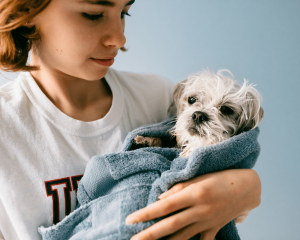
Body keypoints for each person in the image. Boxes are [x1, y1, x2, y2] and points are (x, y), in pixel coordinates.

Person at [0, 0, 261, 240]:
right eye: (93, 14)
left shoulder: (157, 98)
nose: (119, 37)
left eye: (124, 13)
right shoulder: (6, 123)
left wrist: (247, 189)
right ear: (27, 12)